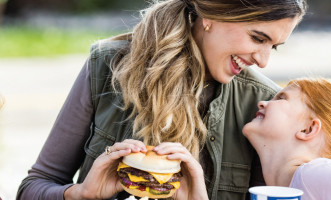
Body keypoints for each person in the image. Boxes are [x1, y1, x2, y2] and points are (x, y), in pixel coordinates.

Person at [16, 0, 307, 199]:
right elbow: (33, 188)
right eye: (258, 38)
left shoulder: (262, 104)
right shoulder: (107, 64)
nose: (264, 61)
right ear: (213, 17)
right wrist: (80, 195)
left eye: (274, 47)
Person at [241, 77, 331, 200]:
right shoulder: (292, 183)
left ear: (307, 129)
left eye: (281, 98)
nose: (261, 103)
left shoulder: (311, 175)